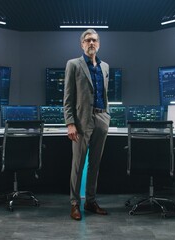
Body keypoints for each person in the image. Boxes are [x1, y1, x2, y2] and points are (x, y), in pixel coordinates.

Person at [63, 29, 111, 221]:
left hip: (101, 119)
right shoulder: (74, 64)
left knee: (95, 164)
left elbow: (104, 95)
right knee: (78, 165)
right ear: (82, 44)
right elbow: (68, 98)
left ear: (98, 44)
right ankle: (75, 204)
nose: (91, 43)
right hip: (82, 122)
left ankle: (90, 201)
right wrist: (70, 123)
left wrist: (107, 115)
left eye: (94, 40)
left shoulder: (105, 66)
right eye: (87, 40)